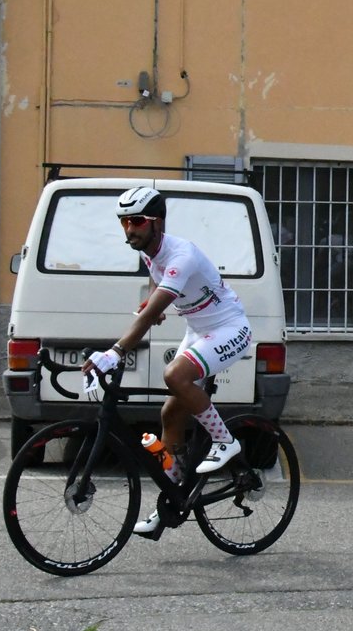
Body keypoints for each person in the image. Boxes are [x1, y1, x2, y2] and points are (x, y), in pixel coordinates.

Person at [82, 185, 253, 537]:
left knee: (175, 376)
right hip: (199, 327)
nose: (130, 229)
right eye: (124, 222)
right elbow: (154, 288)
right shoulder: (148, 249)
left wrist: (115, 352)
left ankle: (225, 441)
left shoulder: (181, 256)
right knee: (170, 414)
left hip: (229, 327)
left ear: (157, 222)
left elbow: (150, 313)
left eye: (137, 221)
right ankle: (173, 497)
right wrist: (152, 303)